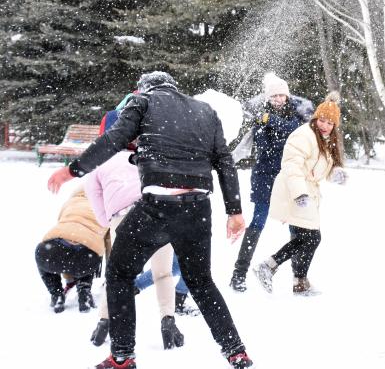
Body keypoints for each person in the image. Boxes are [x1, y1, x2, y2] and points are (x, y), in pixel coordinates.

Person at [47, 71, 253, 369]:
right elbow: (224, 161)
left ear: (144, 89)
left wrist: (72, 171)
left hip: (157, 205)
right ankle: (236, 351)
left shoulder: (143, 102)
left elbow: (113, 139)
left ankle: (122, 355)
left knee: (119, 274)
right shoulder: (205, 110)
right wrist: (234, 211)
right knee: (201, 281)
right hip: (197, 208)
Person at [83, 149, 186, 350]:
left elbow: (96, 203)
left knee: (117, 276)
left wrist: (111, 219)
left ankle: (104, 321)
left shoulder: (99, 164)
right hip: (159, 212)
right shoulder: (152, 153)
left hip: (123, 217)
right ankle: (168, 322)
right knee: (163, 273)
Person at [252, 93, 347, 295]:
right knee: (311, 237)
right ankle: (268, 267)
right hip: (294, 191)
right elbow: (292, 166)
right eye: (322, 120)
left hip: (307, 192)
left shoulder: (325, 139)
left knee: (307, 237)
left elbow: (319, 168)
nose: (325, 125)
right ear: (315, 118)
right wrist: (299, 193)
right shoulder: (303, 135)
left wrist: (335, 174)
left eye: (330, 123)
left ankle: (299, 281)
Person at [229, 72, 308, 292]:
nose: (278, 99)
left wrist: (271, 121)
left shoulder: (296, 114)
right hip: (264, 177)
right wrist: (268, 123)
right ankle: (239, 274)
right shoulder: (260, 117)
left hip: (289, 178)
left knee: (297, 226)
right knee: (258, 223)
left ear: (287, 96)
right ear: (268, 98)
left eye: (281, 95)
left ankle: (299, 278)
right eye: (274, 96)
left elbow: (295, 131)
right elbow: (265, 147)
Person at [35, 186, 106, 314]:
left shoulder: (70, 202)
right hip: (85, 256)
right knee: (90, 250)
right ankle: (84, 291)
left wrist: (68, 275)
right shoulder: (106, 206)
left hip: (52, 251)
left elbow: (66, 240)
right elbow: (109, 241)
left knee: (44, 253)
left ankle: (56, 293)